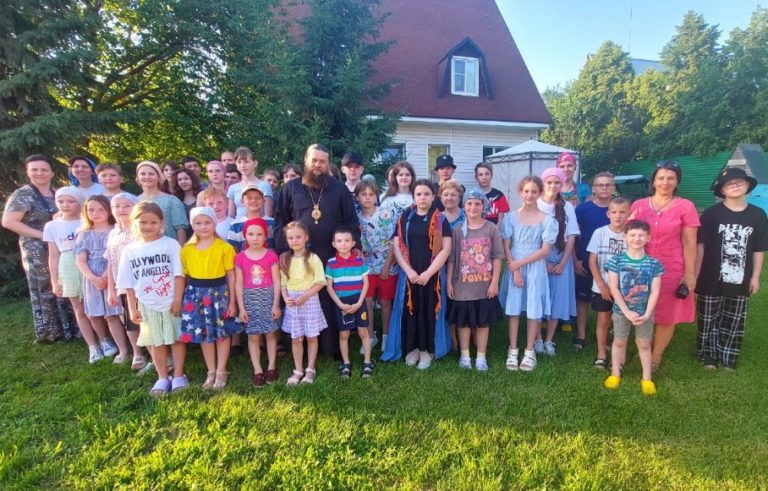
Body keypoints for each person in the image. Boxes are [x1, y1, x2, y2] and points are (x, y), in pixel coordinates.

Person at [274, 143, 360, 359]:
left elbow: (351, 221)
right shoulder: (290, 188)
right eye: (314, 160)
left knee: (329, 300)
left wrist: (354, 247)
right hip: (299, 256)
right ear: (306, 160)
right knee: (302, 298)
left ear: (328, 163)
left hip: (331, 254)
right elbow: (281, 221)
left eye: (322, 161)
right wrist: (283, 250)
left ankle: (331, 347)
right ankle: (301, 347)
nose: (318, 165)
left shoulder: (339, 189)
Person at [630, 160, 699, 371]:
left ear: (677, 181)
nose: (665, 182)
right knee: (642, 310)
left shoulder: (686, 206)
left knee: (667, 315)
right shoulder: (639, 205)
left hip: (671, 267)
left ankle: (656, 355)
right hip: (641, 266)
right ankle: (644, 346)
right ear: (653, 181)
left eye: (671, 178)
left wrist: (689, 273)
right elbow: (629, 235)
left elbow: (689, 242)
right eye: (661, 178)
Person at [695, 168, 768, 370]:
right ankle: (707, 355)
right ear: (722, 190)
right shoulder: (711, 214)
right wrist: (696, 273)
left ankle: (728, 355)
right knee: (708, 318)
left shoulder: (758, 215)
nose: (735, 185)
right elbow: (700, 245)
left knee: (734, 318)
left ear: (748, 185)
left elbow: (759, 249)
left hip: (741, 278)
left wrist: (755, 277)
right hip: (711, 276)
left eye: (739, 181)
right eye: (729, 183)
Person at [3, 155, 77, 342]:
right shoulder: (23, 194)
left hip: (59, 248)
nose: (39, 173)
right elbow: (9, 221)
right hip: (36, 250)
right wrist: (42, 235)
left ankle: (69, 328)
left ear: (51, 172)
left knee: (62, 283)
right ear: (28, 172)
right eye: (34, 170)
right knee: (44, 288)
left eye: (44, 169)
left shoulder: (56, 193)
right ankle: (50, 332)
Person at [117, 202, 187, 396]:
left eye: (153, 222)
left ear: (161, 223)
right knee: (156, 341)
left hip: (170, 301)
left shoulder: (170, 244)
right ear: (134, 222)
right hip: (147, 303)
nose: (148, 226)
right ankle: (163, 377)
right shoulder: (130, 250)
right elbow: (127, 283)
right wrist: (132, 308)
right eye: (143, 222)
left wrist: (178, 300)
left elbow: (179, 275)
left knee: (176, 339)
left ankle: (179, 375)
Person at [382, 179, 452, 369]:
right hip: (409, 273)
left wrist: (428, 273)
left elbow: (446, 249)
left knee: (429, 310)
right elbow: (397, 246)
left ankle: (427, 350)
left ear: (433, 196)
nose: (422, 197)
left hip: (432, 274)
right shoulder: (405, 218)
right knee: (410, 310)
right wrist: (409, 271)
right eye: (419, 194)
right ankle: (412, 348)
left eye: (426, 194)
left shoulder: (441, 219)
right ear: (414, 196)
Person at [178, 207, 239, 390]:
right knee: (204, 332)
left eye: (207, 222)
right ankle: (211, 370)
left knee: (221, 333)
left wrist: (232, 301)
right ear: (192, 225)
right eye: (198, 223)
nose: (203, 226)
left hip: (219, 294)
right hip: (196, 295)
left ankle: (221, 370)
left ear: (214, 223)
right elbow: (185, 276)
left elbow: (231, 275)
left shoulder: (224, 248)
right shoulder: (186, 250)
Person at [499, 176, 556, 371]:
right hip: (514, 267)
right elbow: (506, 245)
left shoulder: (547, 219)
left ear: (539, 193)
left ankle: (530, 351)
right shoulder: (510, 218)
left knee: (533, 310)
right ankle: (513, 350)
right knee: (514, 310)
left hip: (535, 268)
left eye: (534, 191)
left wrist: (520, 263)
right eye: (526, 191)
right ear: (520, 192)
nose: (530, 195)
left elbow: (545, 250)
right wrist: (514, 268)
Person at [603, 219, 664, 396]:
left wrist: (647, 313)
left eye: (641, 235)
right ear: (625, 237)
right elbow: (614, 288)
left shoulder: (654, 264)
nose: (637, 238)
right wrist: (627, 311)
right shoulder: (616, 261)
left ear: (648, 238)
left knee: (644, 344)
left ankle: (647, 378)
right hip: (621, 312)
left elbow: (655, 291)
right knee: (619, 341)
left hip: (645, 313)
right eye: (632, 235)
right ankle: (615, 374)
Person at [446, 189, 503, 371]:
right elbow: (452, 259)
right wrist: (449, 282)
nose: (473, 207)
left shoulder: (491, 229)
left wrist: (494, 282)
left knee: (482, 323)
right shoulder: (457, 231)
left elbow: (497, 257)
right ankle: (465, 356)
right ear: (463, 206)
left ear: (483, 206)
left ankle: (480, 357)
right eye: (469, 203)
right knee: (463, 323)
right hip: (462, 287)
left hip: (484, 287)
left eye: (477, 203)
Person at [43, 187, 96, 360]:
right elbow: (53, 255)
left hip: (90, 262)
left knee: (94, 306)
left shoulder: (87, 221)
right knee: (79, 308)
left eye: (71, 201)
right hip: (67, 264)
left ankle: (105, 339)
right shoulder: (52, 226)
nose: (65, 205)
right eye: (61, 201)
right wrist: (55, 280)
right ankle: (92, 346)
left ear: (80, 203)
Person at [74, 195, 126, 363]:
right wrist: (93, 278)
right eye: (91, 210)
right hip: (92, 278)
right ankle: (107, 343)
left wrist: (105, 276)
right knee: (96, 313)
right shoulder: (83, 234)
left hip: (113, 275)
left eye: (101, 209)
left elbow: (116, 257)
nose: (96, 213)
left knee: (115, 314)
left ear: (109, 211)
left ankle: (127, 349)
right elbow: (81, 260)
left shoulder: (115, 231)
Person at [234, 218, 282, 387]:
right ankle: (257, 370)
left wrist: (276, 304)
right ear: (245, 235)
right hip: (250, 300)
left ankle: (271, 366)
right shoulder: (240, 258)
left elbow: (277, 282)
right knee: (253, 336)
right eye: (251, 234)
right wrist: (241, 308)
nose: (255, 238)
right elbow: (238, 284)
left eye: (259, 234)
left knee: (270, 334)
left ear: (265, 236)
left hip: (268, 298)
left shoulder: (271, 255)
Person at [279, 221, 328, 385]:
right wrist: (285, 297)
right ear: (287, 240)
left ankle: (310, 368)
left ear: (306, 238)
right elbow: (283, 283)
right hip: (293, 302)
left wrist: (305, 296)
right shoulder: (286, 260)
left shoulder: (313, 258)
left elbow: (320, 282)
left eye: (298, 237)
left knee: (311, 337)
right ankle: (298, 369)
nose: (295, 240)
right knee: (296, 338)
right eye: (291, 238)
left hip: (309, 299)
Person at [538, 167, 579, 356]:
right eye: (549, 182)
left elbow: (571, 236)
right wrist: (542, 262)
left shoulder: (567, 206)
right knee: (538, 297)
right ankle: (537, 338)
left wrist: (562, 263)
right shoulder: (536, 204)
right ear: (543, 183)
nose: (553, 186)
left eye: (557, 182)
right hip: (539, 257)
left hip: (561, 255)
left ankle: (549, 339)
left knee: (558, 299)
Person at [104, 192, 148, 371]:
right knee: (129, 320)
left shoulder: (140, 232)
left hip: (141, 284)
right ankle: (137, 353)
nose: (121, 209)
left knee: (144, 319)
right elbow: (110, 262)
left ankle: (156, 353)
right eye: (117, 206)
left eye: (126, 205)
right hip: (122, 284)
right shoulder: (113, 233)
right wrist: (111, 289)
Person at [587, 196, 630, 370]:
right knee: (603, 320)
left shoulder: (631, 234)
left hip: (624, 289)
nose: (618, 216)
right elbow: (592, 261)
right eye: (614, 212)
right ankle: (601, 354)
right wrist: (602, 285)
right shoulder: (600, 233)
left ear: (629, 214)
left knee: (621, 322)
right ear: (608, 214)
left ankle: (619, 357)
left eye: (622, 212)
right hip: (602, 287)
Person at [574, 172, 614, 349]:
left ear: (613, 188)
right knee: (582, 300)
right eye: (600, 185)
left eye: (608, 184)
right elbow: (574, 236)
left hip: (610, 264)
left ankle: (604, 335)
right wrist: (575, 260)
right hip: (584, 260)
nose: (604, 188)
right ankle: (581, 334)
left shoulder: (618, 209)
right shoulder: (582, 209)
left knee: (608, 298)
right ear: (593, 188)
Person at [325, 226, 373, 378]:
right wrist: (340, 305)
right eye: (339, 241)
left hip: (359, 301)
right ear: (334, 244)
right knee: (344, 334)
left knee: (363, 332)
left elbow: (366, 283)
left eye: (347, 240)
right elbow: (329, 287)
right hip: (342, 304)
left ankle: (367, 361)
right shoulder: (331, 263)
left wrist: (359, 303)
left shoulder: (359, 261)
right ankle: (346, 363)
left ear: (353, 243)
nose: (343, 244)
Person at [356, 180, 395, 351]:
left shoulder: (385, 214)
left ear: (376, 196)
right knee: (367, 301)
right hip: (366, 266)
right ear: (357, 197)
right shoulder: (356, 217)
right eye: (363, 194)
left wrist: (387, 266)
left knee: (385, 302)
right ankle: (370, 336)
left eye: (371, 194)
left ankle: (386, 335)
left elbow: (394, 241)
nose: (367, 197)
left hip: (387, 263)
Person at [439, 179, 465, 351]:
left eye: (453, 195)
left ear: (459, 197)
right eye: (446, 194)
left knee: (461, 301)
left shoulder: (467, 215)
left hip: (464, 265)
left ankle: (466, 335)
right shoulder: (437, 218)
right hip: (442, 265)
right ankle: (451, 336)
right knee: (447, 301)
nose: (449, 198)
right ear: (440, 197)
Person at [136, 160, 189, 244]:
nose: (147, 176)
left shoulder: (172, 200)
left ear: (159, 177)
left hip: (168, 248)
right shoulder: (134, 201)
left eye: (151, 174)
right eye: (143, 174)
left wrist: (180, 249)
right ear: (138, 178)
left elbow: (181, 229)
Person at [228, 147, 273, 219]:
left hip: (259, 224)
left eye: (246, 162)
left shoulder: (264, 186)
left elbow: (268, 216)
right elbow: (231, 216)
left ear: (255, 163)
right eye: (239, 162)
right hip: (238, 225)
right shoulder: (233, 188)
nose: (243, 165)